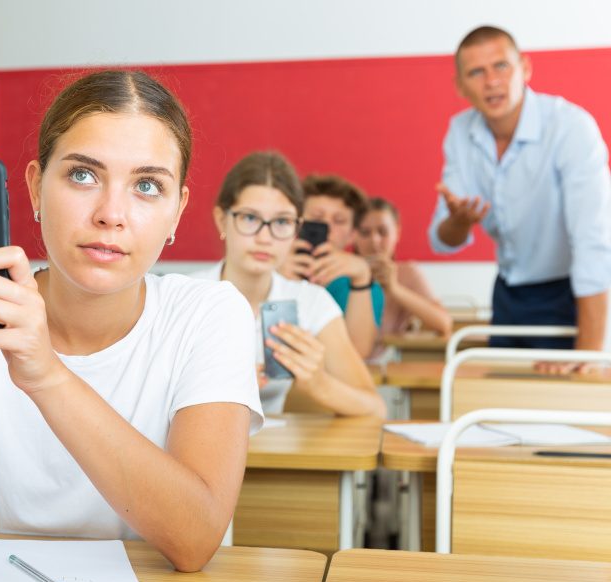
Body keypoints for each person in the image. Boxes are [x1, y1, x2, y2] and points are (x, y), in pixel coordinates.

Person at [0, 70, 263, 572]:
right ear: (36, 189)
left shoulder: (210, 313)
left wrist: (46, 373)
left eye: (147, 185)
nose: (111, 213)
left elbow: (194, 540)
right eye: (83, 175)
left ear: (176, 213)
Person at [428, 25, 611, 370]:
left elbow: (594, 242)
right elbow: (443, 240)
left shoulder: (570, 128)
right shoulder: (459, 132)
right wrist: (458, 222)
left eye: (501, 66)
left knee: (561, 404)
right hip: (508, 291)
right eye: (476, 72)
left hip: (570, 292)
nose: (492, 81)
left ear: (525, 68)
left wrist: (587, 353)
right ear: (460, 86)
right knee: (500, 401)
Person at [192, 151, 384, 418]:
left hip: (276, 452)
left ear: (296, 228)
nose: (265, 237)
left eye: (281, 222)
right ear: (222, 219)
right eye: (250, 218)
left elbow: (375, 407)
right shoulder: (184, 297)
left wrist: (318, 382)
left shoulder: (310, 302)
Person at [278, 174, 379, 357]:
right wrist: (275, 278)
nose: (327, 226)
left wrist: (362, 279)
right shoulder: (272, 268)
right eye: (317, 217)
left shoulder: (361, 282)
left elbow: (357, 354)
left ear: (352, 234)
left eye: (339, 221)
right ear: (295, 221)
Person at [356, 197, 452, 356]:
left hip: (386, 366)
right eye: (365, 232)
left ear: (397, 232)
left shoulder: (407, 273)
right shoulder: (341, 271)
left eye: (383, 232)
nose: (374, 240)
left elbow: (443, 323)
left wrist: (394, 288)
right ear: (353, 235)